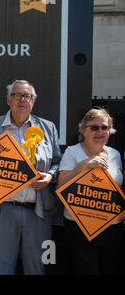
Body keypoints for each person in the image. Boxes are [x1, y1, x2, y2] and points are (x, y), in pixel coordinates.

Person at [0, 80, 62, 275]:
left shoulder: (48, 127)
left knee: (37, 268)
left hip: (38, 212)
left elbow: (58, 162)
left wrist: (50, 176)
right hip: (2, 210)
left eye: (27, 96)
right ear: (8, 100)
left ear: (33, 101)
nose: (22, 100)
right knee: (3, 268)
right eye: (17, 95)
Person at [57, 108, 124, 274]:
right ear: (84, 130)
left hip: (112, 227)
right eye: (94, 127)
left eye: (104, 127)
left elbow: (119, 187)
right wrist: (84, 165)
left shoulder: (115, 154)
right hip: (80, 227)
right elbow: (61, 186)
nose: (100, 131)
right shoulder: (72, 152)